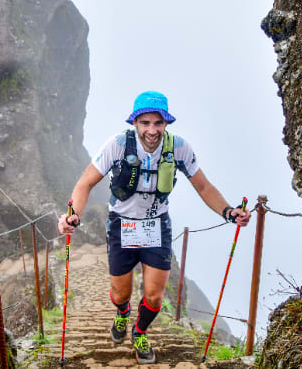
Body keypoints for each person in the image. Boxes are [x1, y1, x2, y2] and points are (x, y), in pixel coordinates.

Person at [57, 90, 251, 365]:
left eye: (157, 123)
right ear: (135, 122)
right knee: (120, 292)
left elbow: (204, 186)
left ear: (166, 124)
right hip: (121, 224)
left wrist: (229, 212)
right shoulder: (118, 145)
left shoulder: (179, 148)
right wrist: (72, 215)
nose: (152, 130)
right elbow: (85, 183)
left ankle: (139, 332)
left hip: (156, 225)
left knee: (155, 295)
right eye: (145, 123)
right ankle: (122, 313)